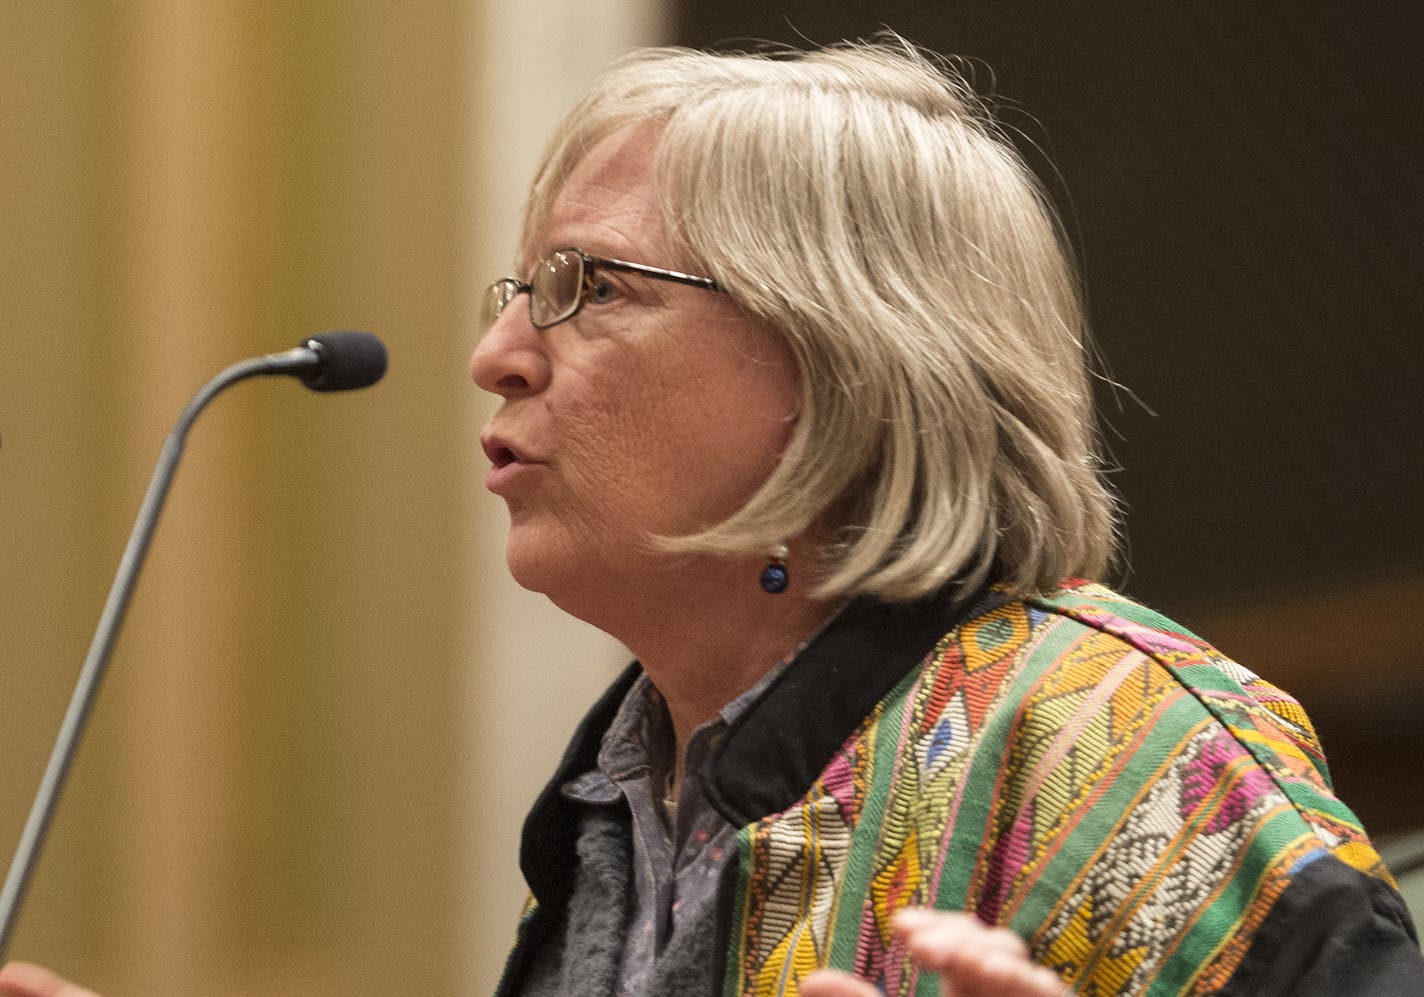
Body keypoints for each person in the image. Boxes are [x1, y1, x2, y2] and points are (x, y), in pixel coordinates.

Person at [3, 35, 1420, 997]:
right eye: (518, 293)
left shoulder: (1111, 738)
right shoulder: (623, 796)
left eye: (592, 288)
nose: (498, 354)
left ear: (845, 364)